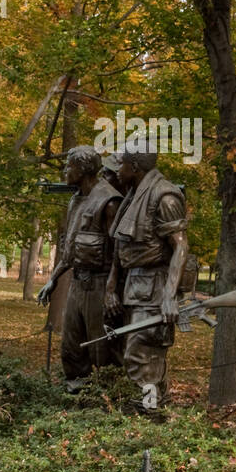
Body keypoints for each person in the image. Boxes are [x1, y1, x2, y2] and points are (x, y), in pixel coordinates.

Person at [104, 145, 189, 411]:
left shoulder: (164, 198)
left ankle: (149, 417)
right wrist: (111, 288)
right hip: (134, 287)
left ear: (135, 167)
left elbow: (181, 247)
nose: (116, 170)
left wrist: (169, 297)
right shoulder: (132, 196)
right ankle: (147, 413)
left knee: (142, 355)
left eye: (121, 165)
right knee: (131, 353)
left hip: (154, 289)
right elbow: (121, 248)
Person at [37, 146, 123, 392]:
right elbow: (71, 250)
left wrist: (110, 290)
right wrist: (52, 280)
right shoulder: (76, 200)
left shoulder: (109, 201)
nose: (65, 170)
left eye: (69, 165)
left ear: (84, 170)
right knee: (71, 346)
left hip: (99, 284)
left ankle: (108, 401)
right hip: (77, 283)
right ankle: (77, 398)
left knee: (101, 349)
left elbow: (119, 251)